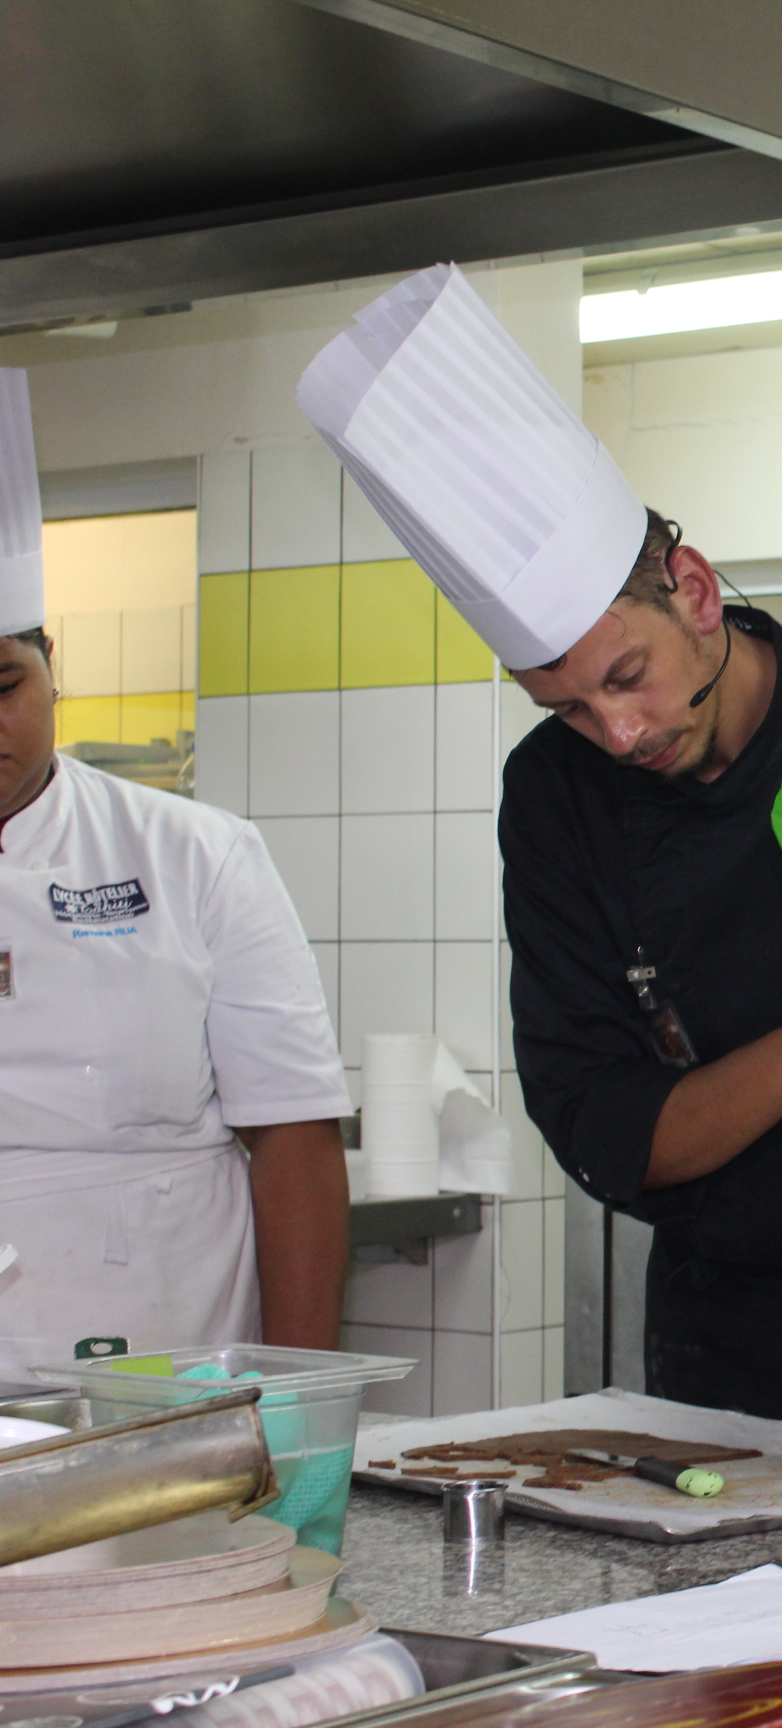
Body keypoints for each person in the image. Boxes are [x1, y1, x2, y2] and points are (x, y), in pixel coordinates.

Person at [297, 265, 782, 1440]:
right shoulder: (556, 801)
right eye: (563, 707)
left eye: (626, 677)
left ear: (698, 593)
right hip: (720, 1365)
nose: (616, 734)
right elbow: (605, 1130)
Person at [0, 368, 349, 1378]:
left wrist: (298, 1398)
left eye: (4, 685)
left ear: (51, 662)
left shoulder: (197, 855)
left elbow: (294, 1138)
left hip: (155, 1334)